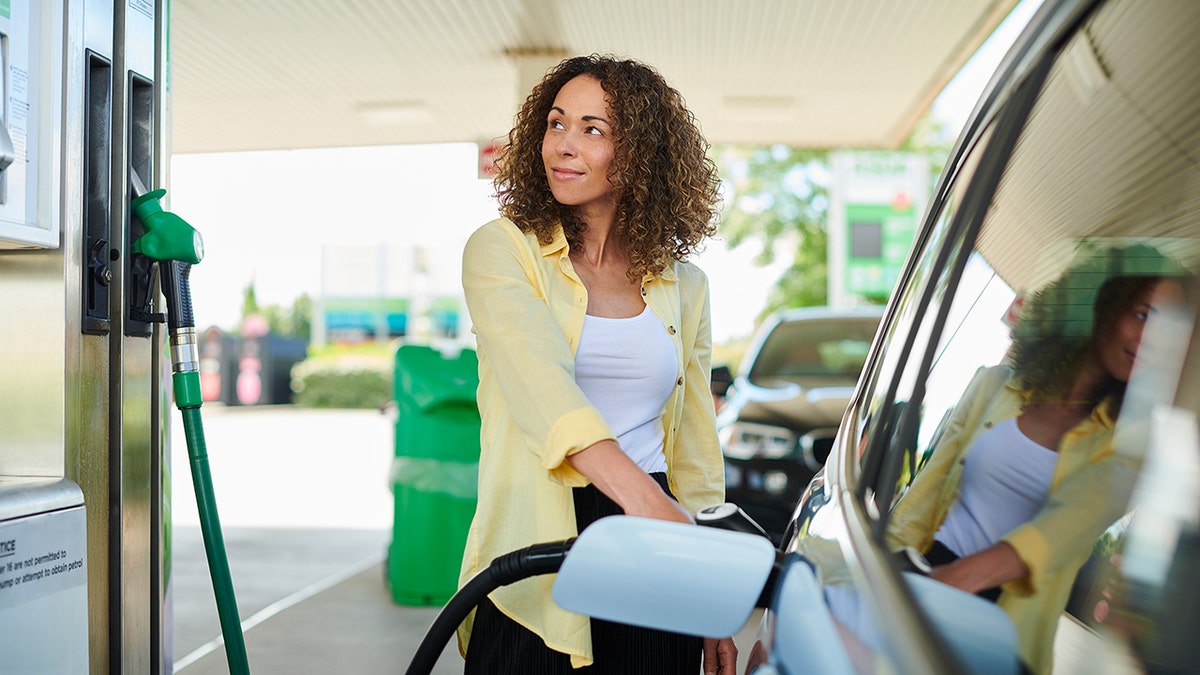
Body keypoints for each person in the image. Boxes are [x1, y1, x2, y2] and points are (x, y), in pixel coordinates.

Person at [456, 54, 736, 674]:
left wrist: (711, 586)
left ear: (638, 152)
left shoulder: (684, 285)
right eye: (556, 124)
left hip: (653, 543)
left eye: (592, 129)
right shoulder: (503, 251)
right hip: (538, 539)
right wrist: (644, 500)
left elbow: (694, 445)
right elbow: (539, 382)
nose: (564, 145)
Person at [886, 244, 1187, 673]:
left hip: (1002, 627)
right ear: (1100, 305)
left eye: (1170, 329)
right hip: (923, 571)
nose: (1152, 340)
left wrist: (958, 580)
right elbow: (922, 498)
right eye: (1142, 314)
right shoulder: (994, 386)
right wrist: (871, 576)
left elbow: (1064, 526)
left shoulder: (1136, 442)